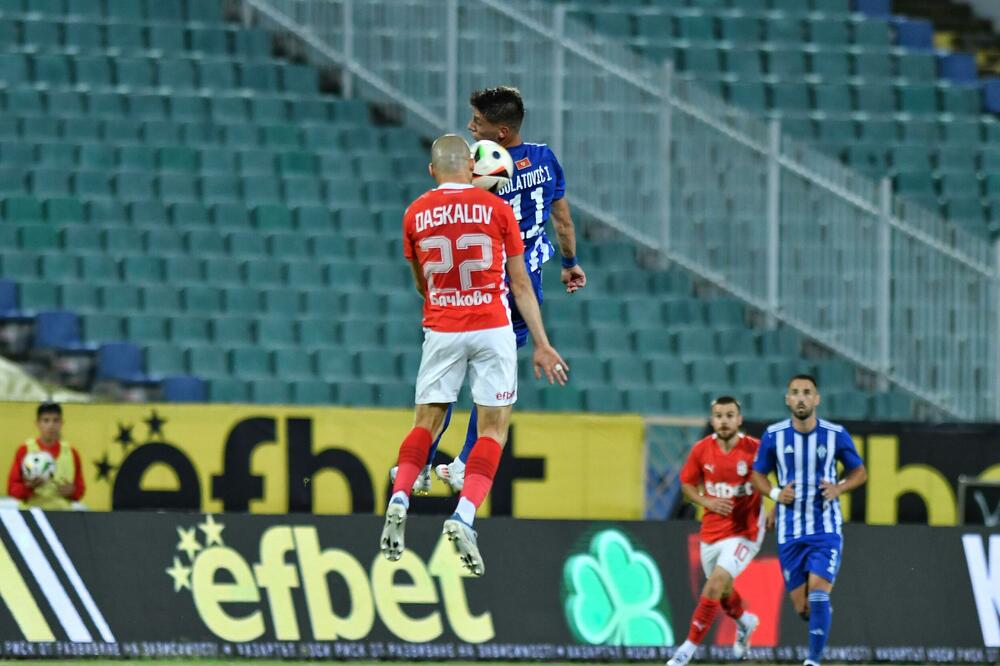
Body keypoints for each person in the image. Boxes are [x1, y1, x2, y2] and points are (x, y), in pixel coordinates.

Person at [379, 134, 568, 576]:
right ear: (471, 166)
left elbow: (420, 281)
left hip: (442, 326)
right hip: (492, 326)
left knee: (425, 423)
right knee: (493, 429)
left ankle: (401, 496)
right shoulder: (498, 209)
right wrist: (541, 343)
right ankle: (464, 515)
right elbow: (520, 284)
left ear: (432, 171)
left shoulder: (415, 213)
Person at [391, 86, 587, 494]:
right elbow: (564, 222)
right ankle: (463, 462)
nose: (469, 127)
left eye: (476, 122)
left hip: (484, 286)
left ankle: (425, 464)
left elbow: (462, 209)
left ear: (499, 132)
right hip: (527, 279)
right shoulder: (546, 158)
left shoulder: (480, 163)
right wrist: (569, 264)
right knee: (493, 391)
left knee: (441, 388)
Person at [750, 375, 867, 666]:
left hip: (825, 527)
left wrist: (839, 487)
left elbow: (860, 472)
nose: (801, 398)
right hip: (789, 531)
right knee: (802, 605)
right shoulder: (773, 435)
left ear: (817, 399)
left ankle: (812, 661)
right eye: (795, 393)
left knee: (818, 592)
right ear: (787, 399)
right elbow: (757, 476)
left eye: (807, 393)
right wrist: (776, 495)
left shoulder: (835, 434)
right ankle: (819, 613)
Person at [668, 397, 762, 666]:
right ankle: (745, 622)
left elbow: (774, 479)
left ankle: (685, 652)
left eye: (730, 415)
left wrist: (776, 506)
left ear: (739, 419)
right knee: (721, 591)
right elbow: (686, 484)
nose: (724, 421)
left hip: (745, 530)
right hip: (711, 531)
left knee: (715, 583)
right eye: (719, 416)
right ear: (712, 420)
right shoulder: (701, 451)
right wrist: (707, 501)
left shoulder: (754, 449)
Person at [7, 402, 85, 509]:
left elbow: (80, 489)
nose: (51, 425)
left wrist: (72, 491)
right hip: (32, 514)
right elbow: (12, 489)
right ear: (37, 423)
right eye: (46, 420)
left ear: (61, 423)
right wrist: (28, 487)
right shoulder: (25, 450)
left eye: (55, 420)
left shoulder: (71, 452)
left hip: (62, 515)